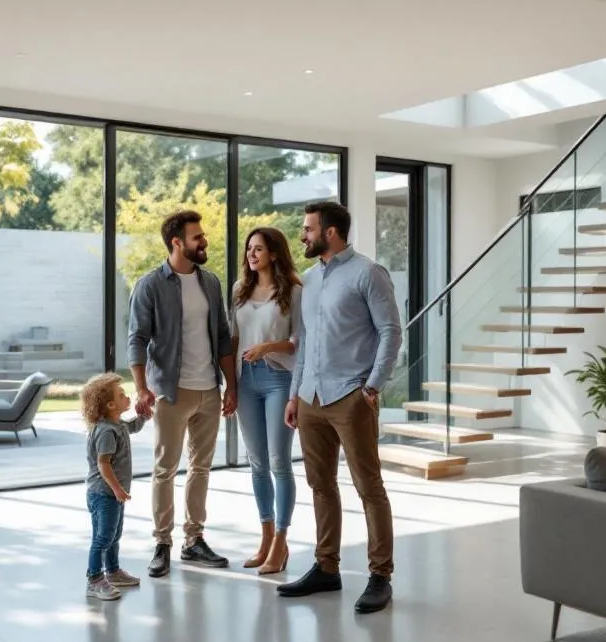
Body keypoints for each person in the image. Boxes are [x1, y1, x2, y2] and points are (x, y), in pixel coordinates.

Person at [278, 201, 402, 614]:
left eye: (308, 228)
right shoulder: (310, 280)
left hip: (351, 395)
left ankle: (380, 575)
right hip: (311, 396)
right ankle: (326, 567)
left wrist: (372, 387)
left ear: (330, 232)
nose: (303, 235)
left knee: (369, 488)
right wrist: (295, 394)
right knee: (320, 485)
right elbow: (305, 342)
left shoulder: (368, 273)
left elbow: (390, 332)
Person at [128, 210, 238, 578]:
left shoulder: (211, 283)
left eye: (203, 236)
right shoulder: (151, 285)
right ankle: (162, 543)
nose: (204, 241)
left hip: (209, 388)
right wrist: (142, 388)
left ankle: (194, 540)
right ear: (176, 242)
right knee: (165, 469)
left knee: (201, 468)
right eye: (197, 237)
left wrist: (230, 385)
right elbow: (137, 339)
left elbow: (222, 336)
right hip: (170, 393)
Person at [230, 226, 302, 575]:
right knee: (256, 463)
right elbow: (233, 339)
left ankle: (281, 542)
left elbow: (299, 342)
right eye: (249, 249)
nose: (251, 254)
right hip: (246, 382)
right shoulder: (239, 291)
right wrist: (228, 385)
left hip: (278, 379)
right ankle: (266, 536)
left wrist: (267, 347)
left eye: (258, 248)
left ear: (274, 253)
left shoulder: (293, 291)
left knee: (279, 462)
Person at [81, 372, 150, 601]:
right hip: (104, 493)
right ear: (111, 405)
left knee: (114, 534)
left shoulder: (116, 423)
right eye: (122, 396)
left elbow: (132, 428)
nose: (126, 397)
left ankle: (113, 571)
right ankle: (94, 579)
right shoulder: (106, 432)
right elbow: (103, 464)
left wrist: (142, 417)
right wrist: (118, 489)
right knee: (103, 537)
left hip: (112, 493)